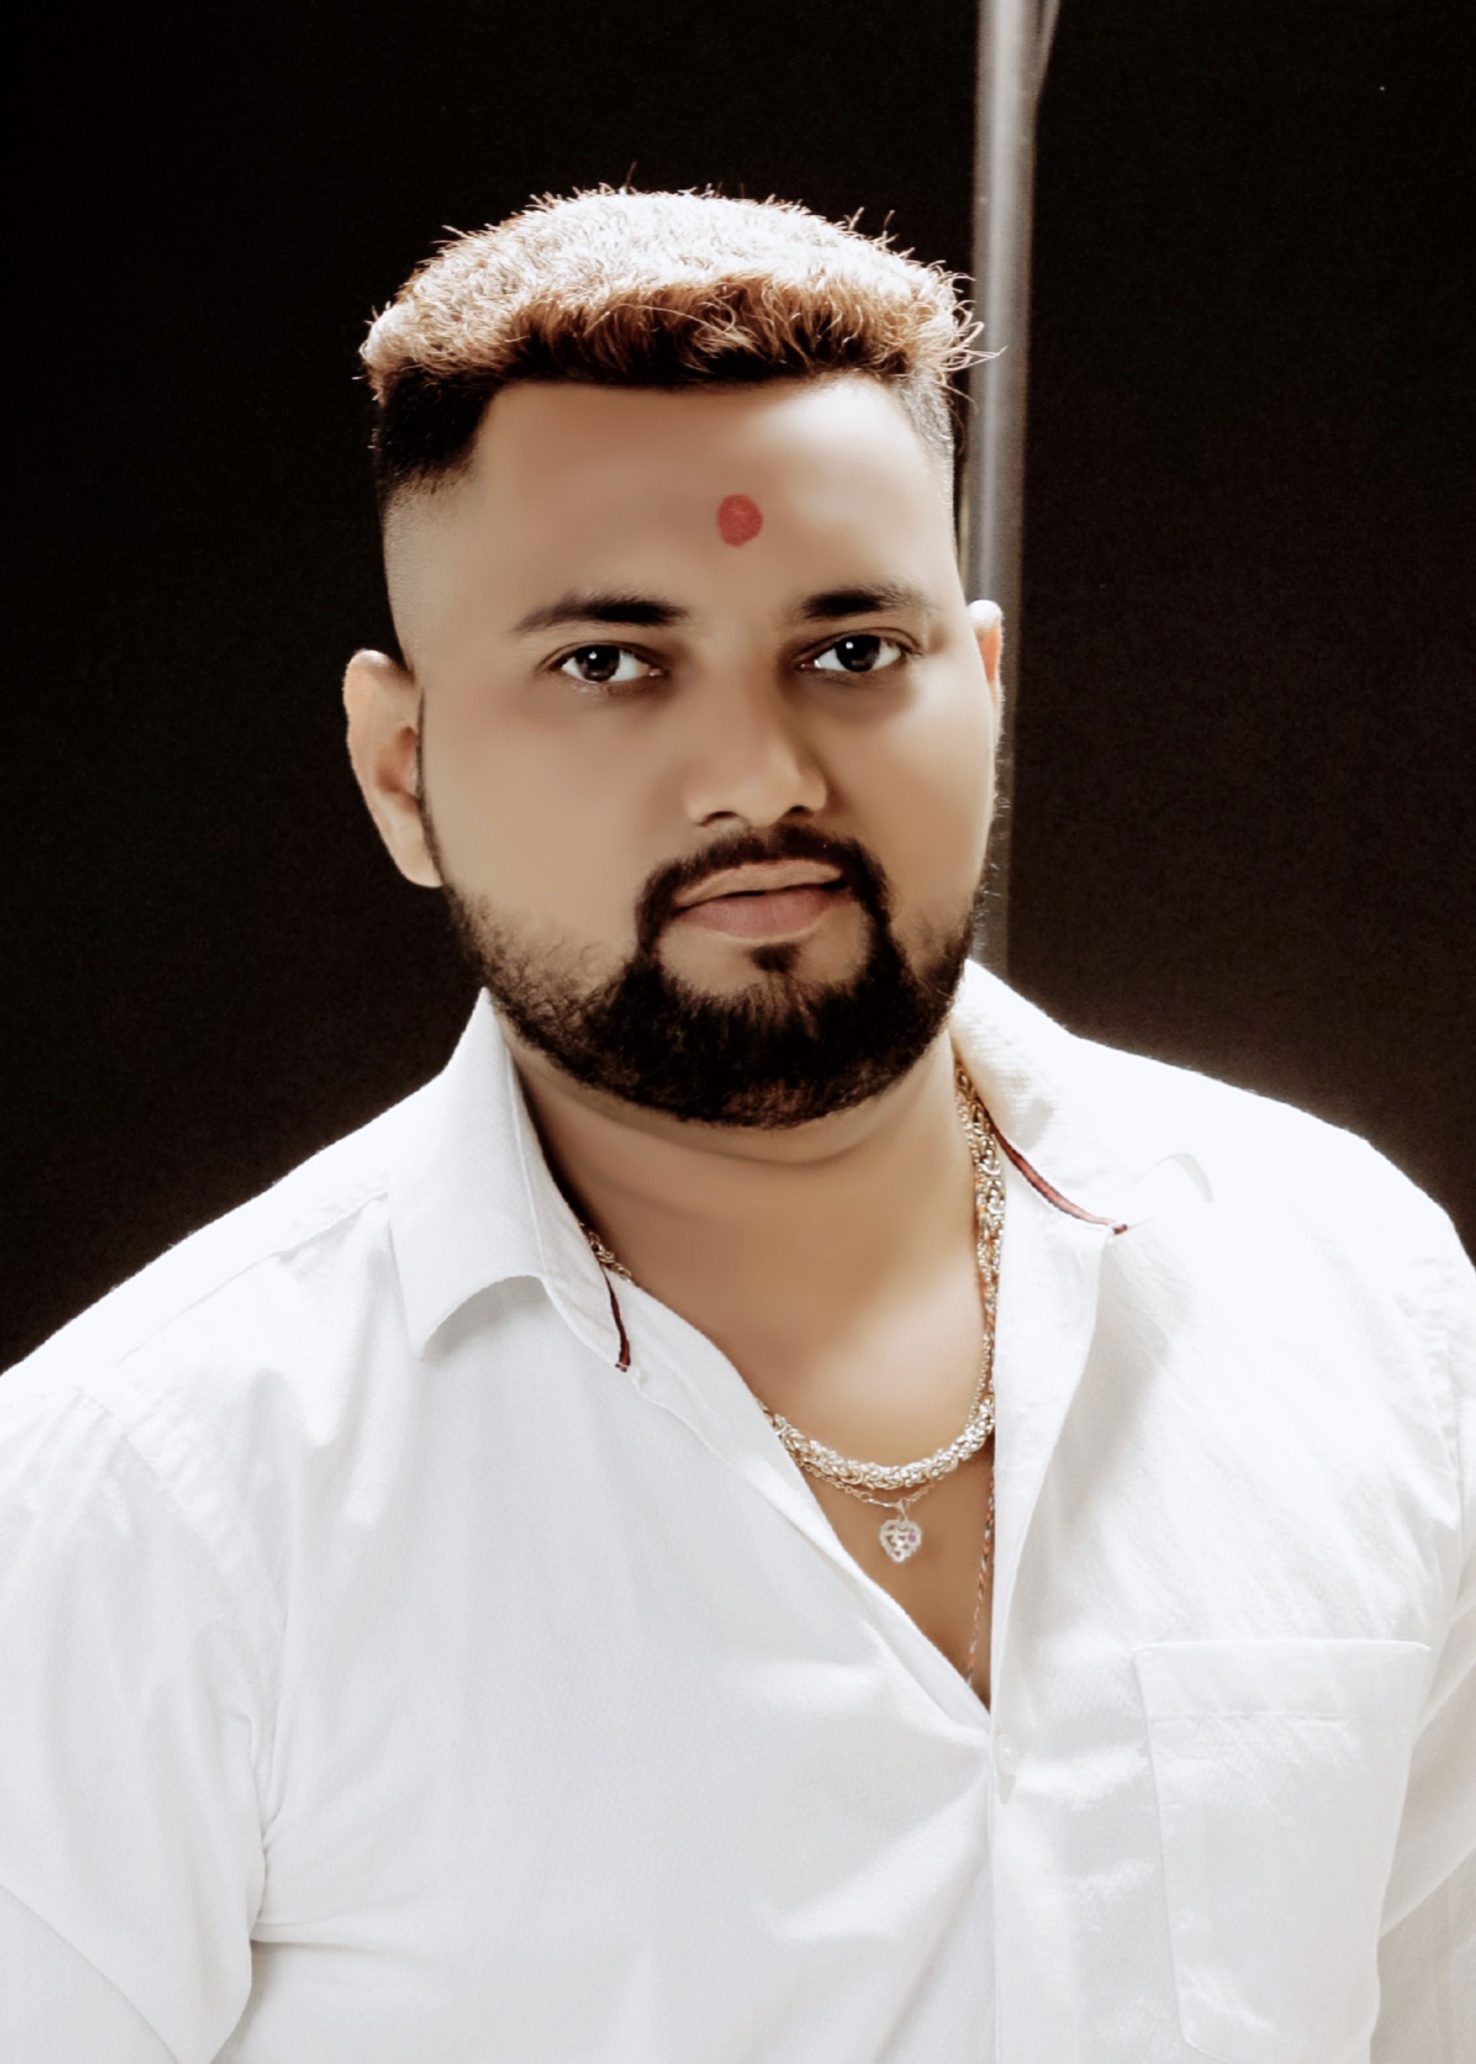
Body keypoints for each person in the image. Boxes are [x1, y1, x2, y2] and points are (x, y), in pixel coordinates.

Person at [1, 188, 1470, 2064]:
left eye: (851, 651)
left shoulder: (1355, 1299)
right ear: (402, 768)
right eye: (610, 662)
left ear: (986, 690)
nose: (761, 778)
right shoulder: (151, 1504)